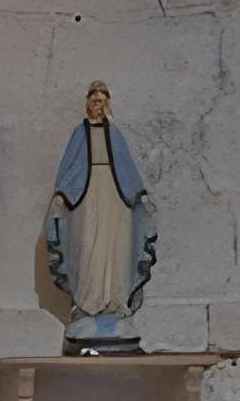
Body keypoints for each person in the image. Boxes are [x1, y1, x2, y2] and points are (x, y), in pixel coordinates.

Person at [43, 81, 158, 353]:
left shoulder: (115, 133)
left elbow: (126, 167)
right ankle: (87, 304)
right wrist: (63, 194)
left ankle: (114, 304)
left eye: (101, 100)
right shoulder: (79, 134)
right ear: (88, 103)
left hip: (115, 198)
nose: (97, 105)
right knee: (88, 249)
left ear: (107, 103)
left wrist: (137, 194)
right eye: (94, 100)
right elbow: (69, 168)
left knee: (115, 249)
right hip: (86, 197)